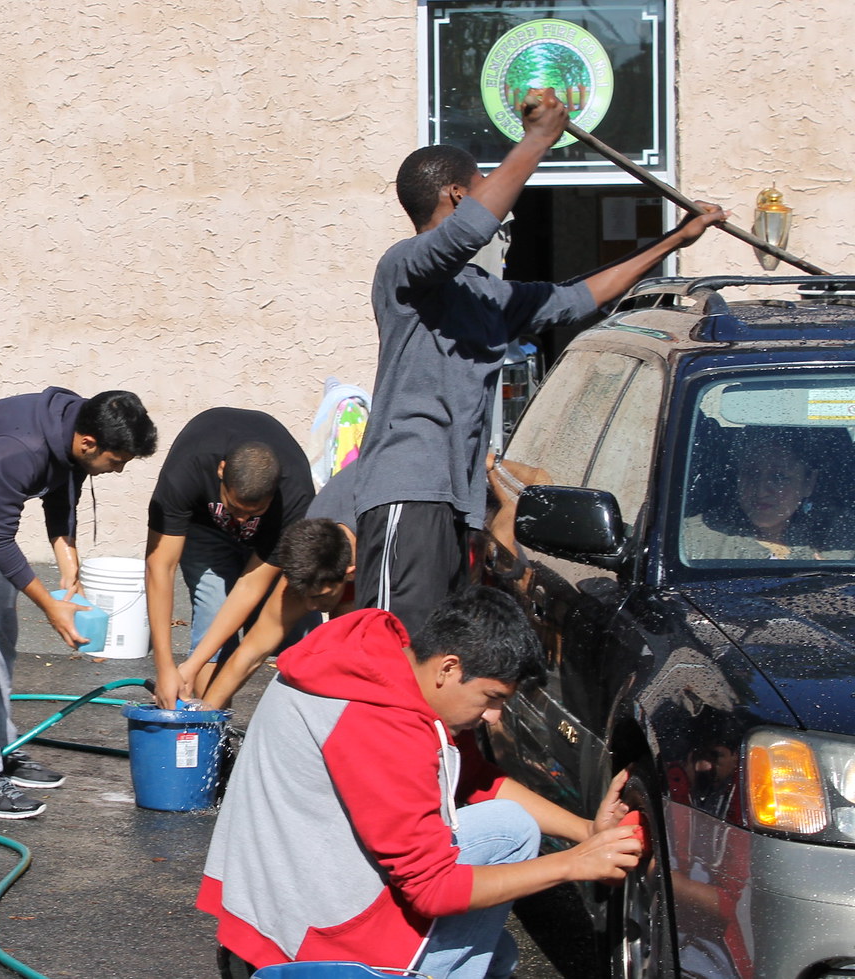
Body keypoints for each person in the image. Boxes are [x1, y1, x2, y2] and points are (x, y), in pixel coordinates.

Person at [354, 88, 728, 633]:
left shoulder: (486, 294)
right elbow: (468, 232)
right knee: (388, 654)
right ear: (458, 194)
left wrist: (674, 240)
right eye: (483, 185)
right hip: (407, 494)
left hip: (458, 504)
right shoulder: (403, 270)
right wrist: (537, 140)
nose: (496, 202)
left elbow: (579, 298)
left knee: (439, 660)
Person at [199, 586, 642, 977]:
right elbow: (432, 890)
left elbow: (476, 779)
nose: (493, 717)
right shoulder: (380, 722)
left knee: (498, 953)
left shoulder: (375, 665)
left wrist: (587, 833)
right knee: (511, 838)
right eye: (492, 698)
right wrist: (574, 864)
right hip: (308, 938)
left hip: (271, 903)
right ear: (449, 667)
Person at [0, 388, 158, 819]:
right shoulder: (23, 448)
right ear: (89, 442)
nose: (118, 469)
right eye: (118, 460)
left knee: (1, 634)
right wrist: (49, 606)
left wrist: (69, 568)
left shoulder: (75, 424)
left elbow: (61, 492)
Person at [145, 407, 315, 707]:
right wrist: (167, 667)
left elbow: (251, 586)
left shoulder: (296, 495)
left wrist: (191, 665)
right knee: (213, 613)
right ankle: (211, 732)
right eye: (234, 508)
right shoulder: (188, 467)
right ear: (221, 470)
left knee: (300, 637)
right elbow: (161, 566)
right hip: (205, 531)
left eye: (253, 513)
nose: (240, 521)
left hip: (272, 537)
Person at [200, 462, 359, 709]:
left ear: (350, 573)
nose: (310, 606)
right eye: (305, 596)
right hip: (350, 526)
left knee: (353, 644)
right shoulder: (311, 551)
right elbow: (252, 651)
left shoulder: (382, 550)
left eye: (319, 597)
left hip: (409, 516)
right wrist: (205, 714)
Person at [682, 427, 845, 561]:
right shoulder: (692, 540)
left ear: (808, 483)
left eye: (779, 477)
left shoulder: (842, 540)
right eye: (751, 474)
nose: (760, 491)